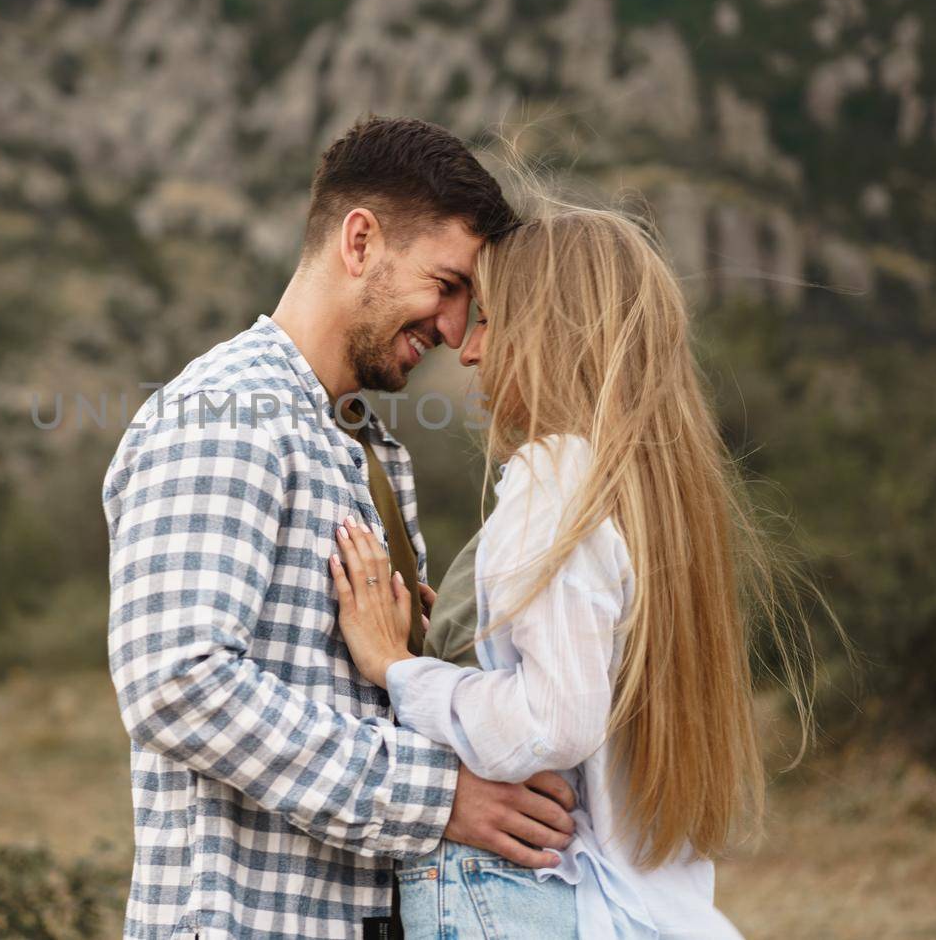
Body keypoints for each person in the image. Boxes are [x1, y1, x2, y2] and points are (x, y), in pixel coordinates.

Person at [103, 116, 582, 940]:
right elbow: (177, 683)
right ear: (360, 240)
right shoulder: (224, 413)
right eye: (447, 283)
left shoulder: (366, 447)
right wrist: (439, 796)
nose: (456, 328)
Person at [327, 189, 818, 938]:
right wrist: (465, 637)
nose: (469, 349)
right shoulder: (654, 496)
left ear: (554, 331)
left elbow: (555, 719)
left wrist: (398, 669)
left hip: (545, 906)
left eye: (489, 317)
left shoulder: (556, 473)